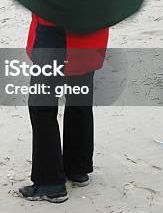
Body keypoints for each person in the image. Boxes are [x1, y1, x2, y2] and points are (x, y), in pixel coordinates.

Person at [18, 13, 109, 203]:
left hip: (55, 32)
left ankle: (50, 183)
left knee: (41, 106)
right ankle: (77, 169)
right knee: (79, 99)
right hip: (91, 31)